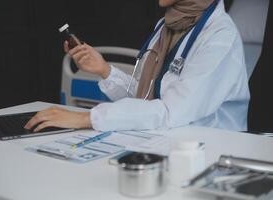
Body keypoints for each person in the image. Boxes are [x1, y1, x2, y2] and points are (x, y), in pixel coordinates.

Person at [25, 0, 250, 133]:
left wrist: (86, 118)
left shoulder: (220, 37)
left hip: (211, 151)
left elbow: (171, 111)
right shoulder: (167, 25)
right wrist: (104, 69)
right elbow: (147, 99)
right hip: (165, 140)